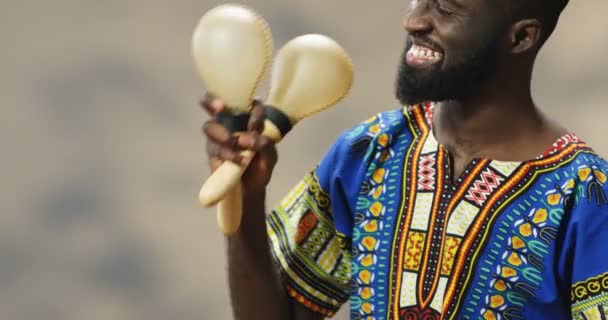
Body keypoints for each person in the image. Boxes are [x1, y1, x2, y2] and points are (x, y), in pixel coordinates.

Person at [201, 0, 608, 319]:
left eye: (446, 7)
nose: (414, 20)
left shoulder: (585, 195)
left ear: (521, 38)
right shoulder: (368, 150)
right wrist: (247, 202)